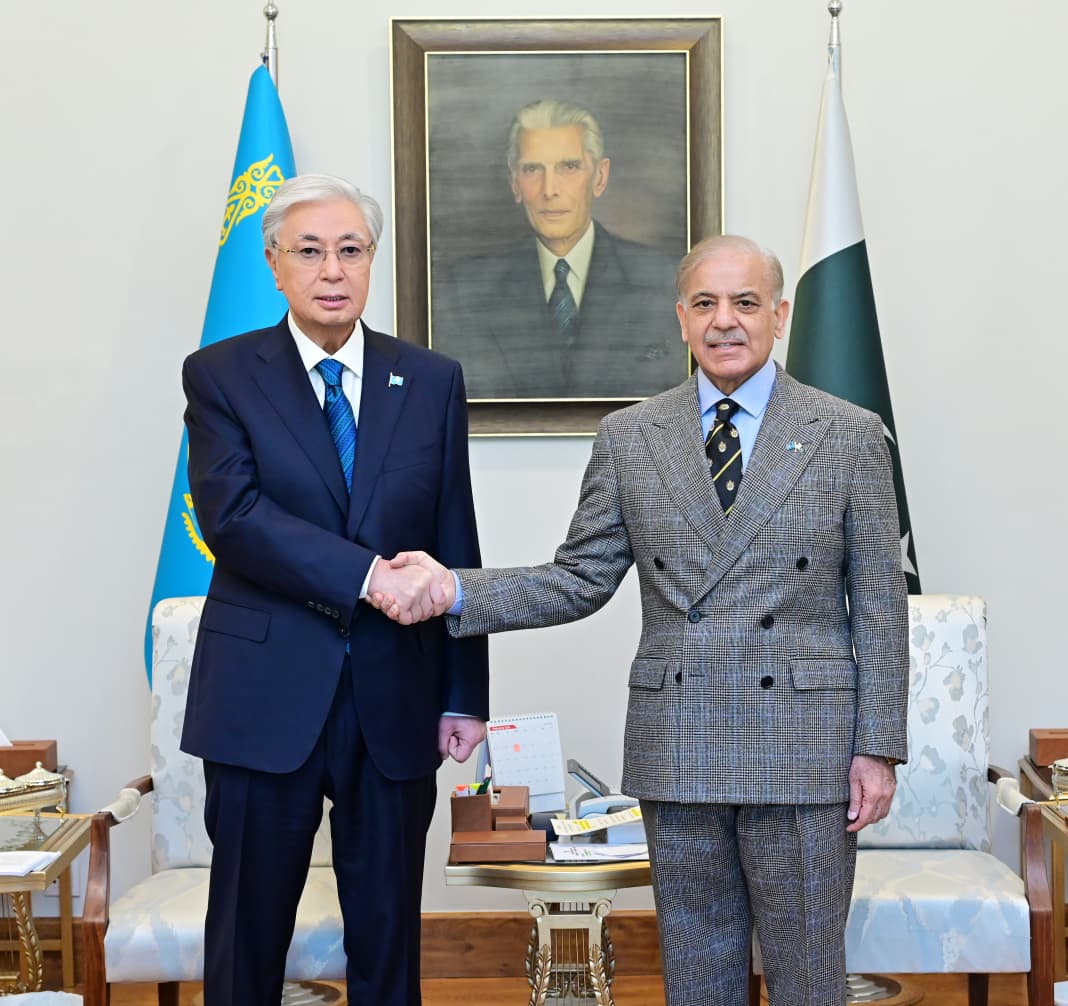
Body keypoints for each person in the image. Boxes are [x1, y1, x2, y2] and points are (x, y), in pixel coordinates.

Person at [376, 235, 909, 1006]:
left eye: (746, 303)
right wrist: (452, 591)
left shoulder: (847, 433)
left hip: (806, 745)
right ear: (682, 319)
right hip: (679, 742)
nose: (725, 321)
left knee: (807, 977)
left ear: (780, 315)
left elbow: (882, 607)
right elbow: (578, 579)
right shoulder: (631, 436)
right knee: (697, 977)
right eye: (705, 304)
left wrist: (878, 746)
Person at [179, 173, 489, 1006]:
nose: (332, 270)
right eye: (310, 251)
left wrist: (464, 693)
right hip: (262, 695)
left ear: (371, 261)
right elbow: (233, 517)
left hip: (394, 691)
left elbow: (454, 536)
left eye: (351, 250)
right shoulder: (220, 375)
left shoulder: (428, 379)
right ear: (275, 263)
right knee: (248, 936)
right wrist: (367, 577)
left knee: (387, 936)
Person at [433, 97, 684, 400]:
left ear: (600, 178)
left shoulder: (662, 280)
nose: (549, 189)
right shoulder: (468, 291)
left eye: (569, 167)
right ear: (515, 183)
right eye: (532, 169)